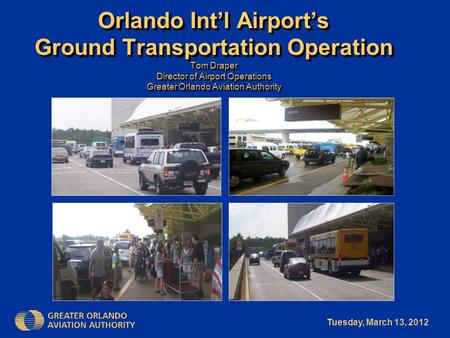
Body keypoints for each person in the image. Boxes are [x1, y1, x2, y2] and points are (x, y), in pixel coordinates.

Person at [191, 233, 205, 298]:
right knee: (199, 279)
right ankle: (200, 292)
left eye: (192, 238)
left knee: (199, 279)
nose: (191, 240)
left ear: (194, 239)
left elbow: (196, 258)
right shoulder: (198, 245)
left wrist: (193, 267)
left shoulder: (198, 246)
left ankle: (200, 292)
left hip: (199, 264)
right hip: (200, 263)